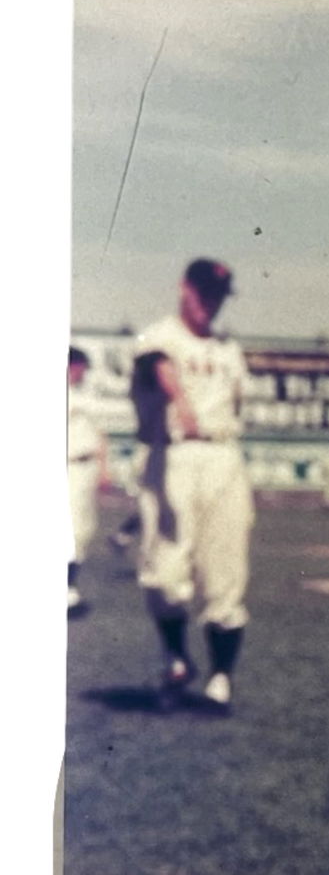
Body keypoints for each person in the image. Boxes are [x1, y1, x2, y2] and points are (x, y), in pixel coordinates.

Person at [131, 258, 253, 713]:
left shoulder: (228, 350)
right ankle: (177, 656)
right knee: (164, 575)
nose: (210, 301)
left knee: (226, 573)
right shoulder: (159, 335)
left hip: (222, 456)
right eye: (203, 291)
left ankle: (221, 676)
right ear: (185, 288)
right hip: (173, 455)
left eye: (218, 294)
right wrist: (180, 400)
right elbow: (159, 367)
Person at [66, 346, 108, 617]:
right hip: (65, 466)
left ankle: (68, 585)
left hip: (83, 466)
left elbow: (100, 434)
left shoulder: (85, 396)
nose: (82, 372)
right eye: (80, 366)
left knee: (82, 530)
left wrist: (104, 469)